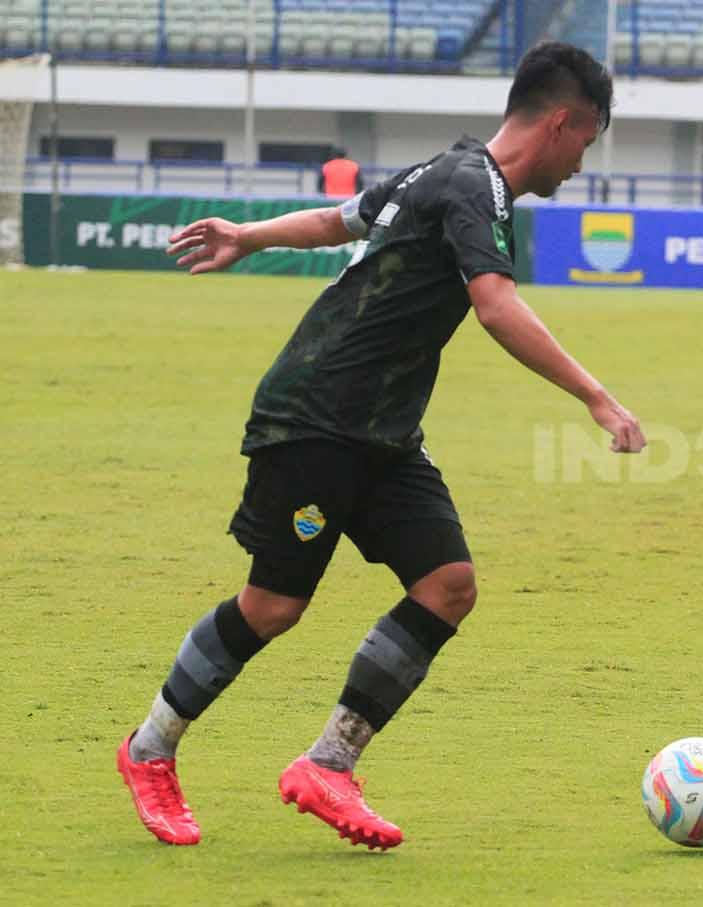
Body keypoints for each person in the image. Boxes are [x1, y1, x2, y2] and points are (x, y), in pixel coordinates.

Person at [116, 42, 645, 850]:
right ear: (563, 123)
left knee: (448, 584)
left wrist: (249, 237)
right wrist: (598, 397)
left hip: (385, 433)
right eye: (588, 143)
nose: (581, 164)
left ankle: (329, 762)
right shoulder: (475, 186)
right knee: (274, 606)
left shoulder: (446, 170)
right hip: (315, 418)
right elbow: (496, 307)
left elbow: (340, 220)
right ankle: (148, 748)